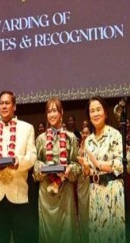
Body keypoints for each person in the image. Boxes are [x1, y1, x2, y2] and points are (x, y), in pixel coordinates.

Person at [0, 90, 37, 243]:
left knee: (21, 238)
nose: (4, 106)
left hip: (19, 195)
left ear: (14, 106)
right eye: (1, 103)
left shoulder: (27, 128)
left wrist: (18, 164)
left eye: (7, 103)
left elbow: (32, 157)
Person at [78, 96, 125, 242]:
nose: (95, 114)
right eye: (92, 111)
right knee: (97, 235)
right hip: (95, 191)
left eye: (98, 109)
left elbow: (119, 165)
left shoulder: (115, 134)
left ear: (105, 113)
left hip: (112, 190)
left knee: (112, 235)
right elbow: (88, 172)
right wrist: (85, 167)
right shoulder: (88, 141)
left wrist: (99, 164)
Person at [33, 98, 80, 242]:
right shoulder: (41, 139)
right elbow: (35, 164)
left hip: (65, 191)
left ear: (61, 113)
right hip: (46, 193)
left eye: (55, 111)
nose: (52, 115)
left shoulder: (71, 138)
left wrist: (70, 169)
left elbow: (77, 165)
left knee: (67, 232)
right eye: (49, 111)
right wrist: (40, 168)